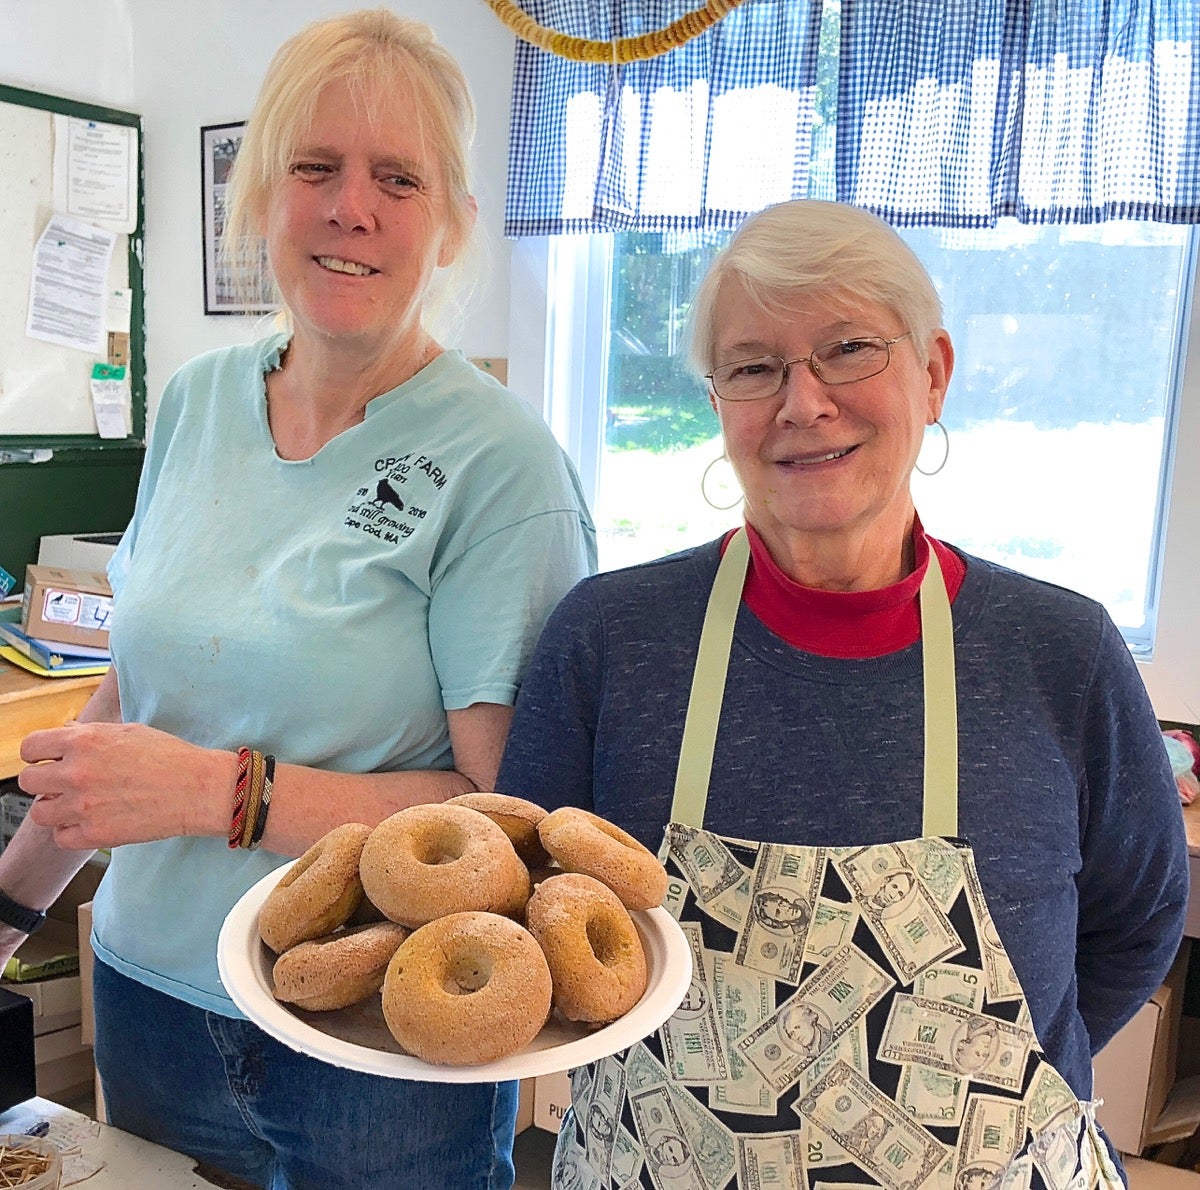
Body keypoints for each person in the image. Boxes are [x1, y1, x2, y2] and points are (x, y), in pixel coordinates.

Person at [0, 11, 595, 1190]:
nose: (349, 207)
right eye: (313, 167)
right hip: (146, 994)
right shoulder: (197, 399)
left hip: (374, 1039)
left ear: (453, 223)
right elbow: (134, 694)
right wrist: (9, 904)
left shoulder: (500, 463)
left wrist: (226, 791)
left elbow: (505, 819)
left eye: (398, 178)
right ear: (260, 196)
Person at [498, 199, 1187, 1188]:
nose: (803, 400)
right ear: (718, 401)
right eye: (753, 366)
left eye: (849, 348)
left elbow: (1139, 921)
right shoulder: (611, 638)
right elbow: (536, 913)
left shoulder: (1061, 651)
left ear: (934, 371)